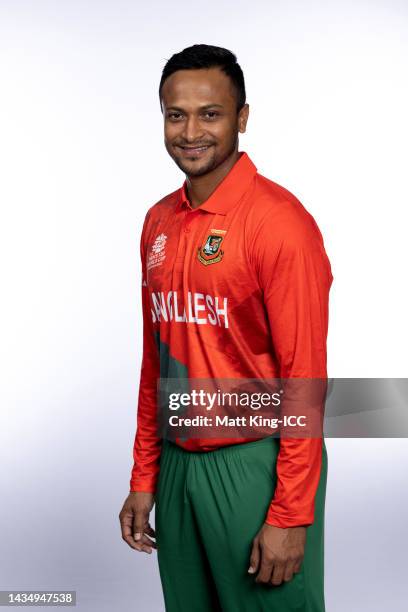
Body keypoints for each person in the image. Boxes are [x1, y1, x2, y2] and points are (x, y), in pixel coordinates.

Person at [119, 43, 333, 611]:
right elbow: (156, 358)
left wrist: (290, 513)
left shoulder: (280, 224)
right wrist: (145, 475)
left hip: (255, 464)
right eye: (175, 114)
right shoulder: (158, 221)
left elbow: (305, 378)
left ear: (241, 118)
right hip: (177, 465)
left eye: (210, 113)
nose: (191, 131)